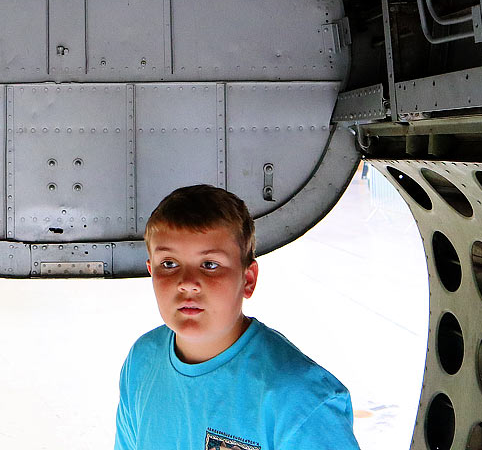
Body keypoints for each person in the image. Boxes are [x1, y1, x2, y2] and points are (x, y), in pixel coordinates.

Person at [115, 184, 361, 450]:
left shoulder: (300, 400)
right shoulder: (141, 362)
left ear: (248, 279)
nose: (187, 283)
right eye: (169, 264)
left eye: (210, 265)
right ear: (151, 271)